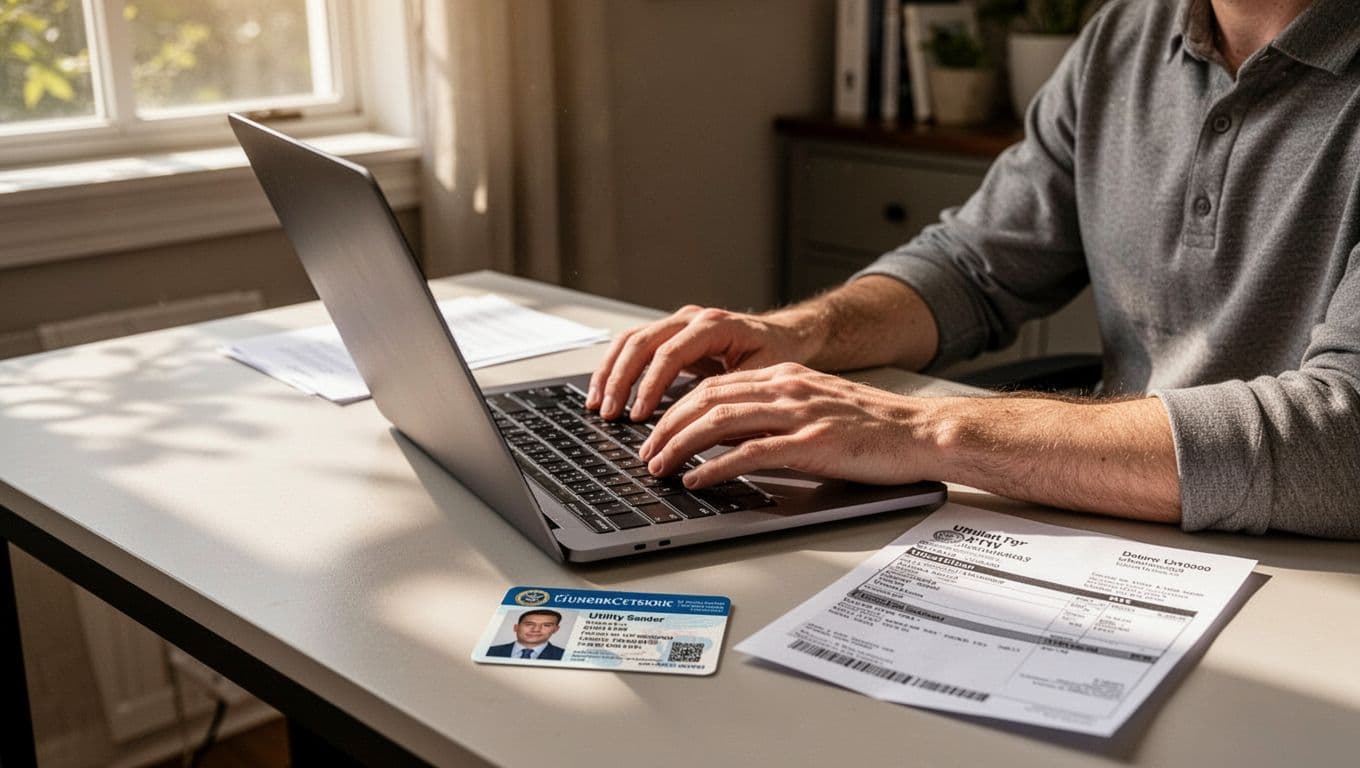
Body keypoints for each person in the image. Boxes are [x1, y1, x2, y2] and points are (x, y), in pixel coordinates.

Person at [587, 0, 1360, 540]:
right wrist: (797, 333)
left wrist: (926, 428)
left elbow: (1344, 437)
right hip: (1112, 527)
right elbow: (973, 264)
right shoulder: (1122, 37)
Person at [487, 610, 566, 660]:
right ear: (516, 627)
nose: (536, 630)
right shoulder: (490, 651)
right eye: (529, 624)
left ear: (555, 629)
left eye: (546, 625)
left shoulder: (563, 656)